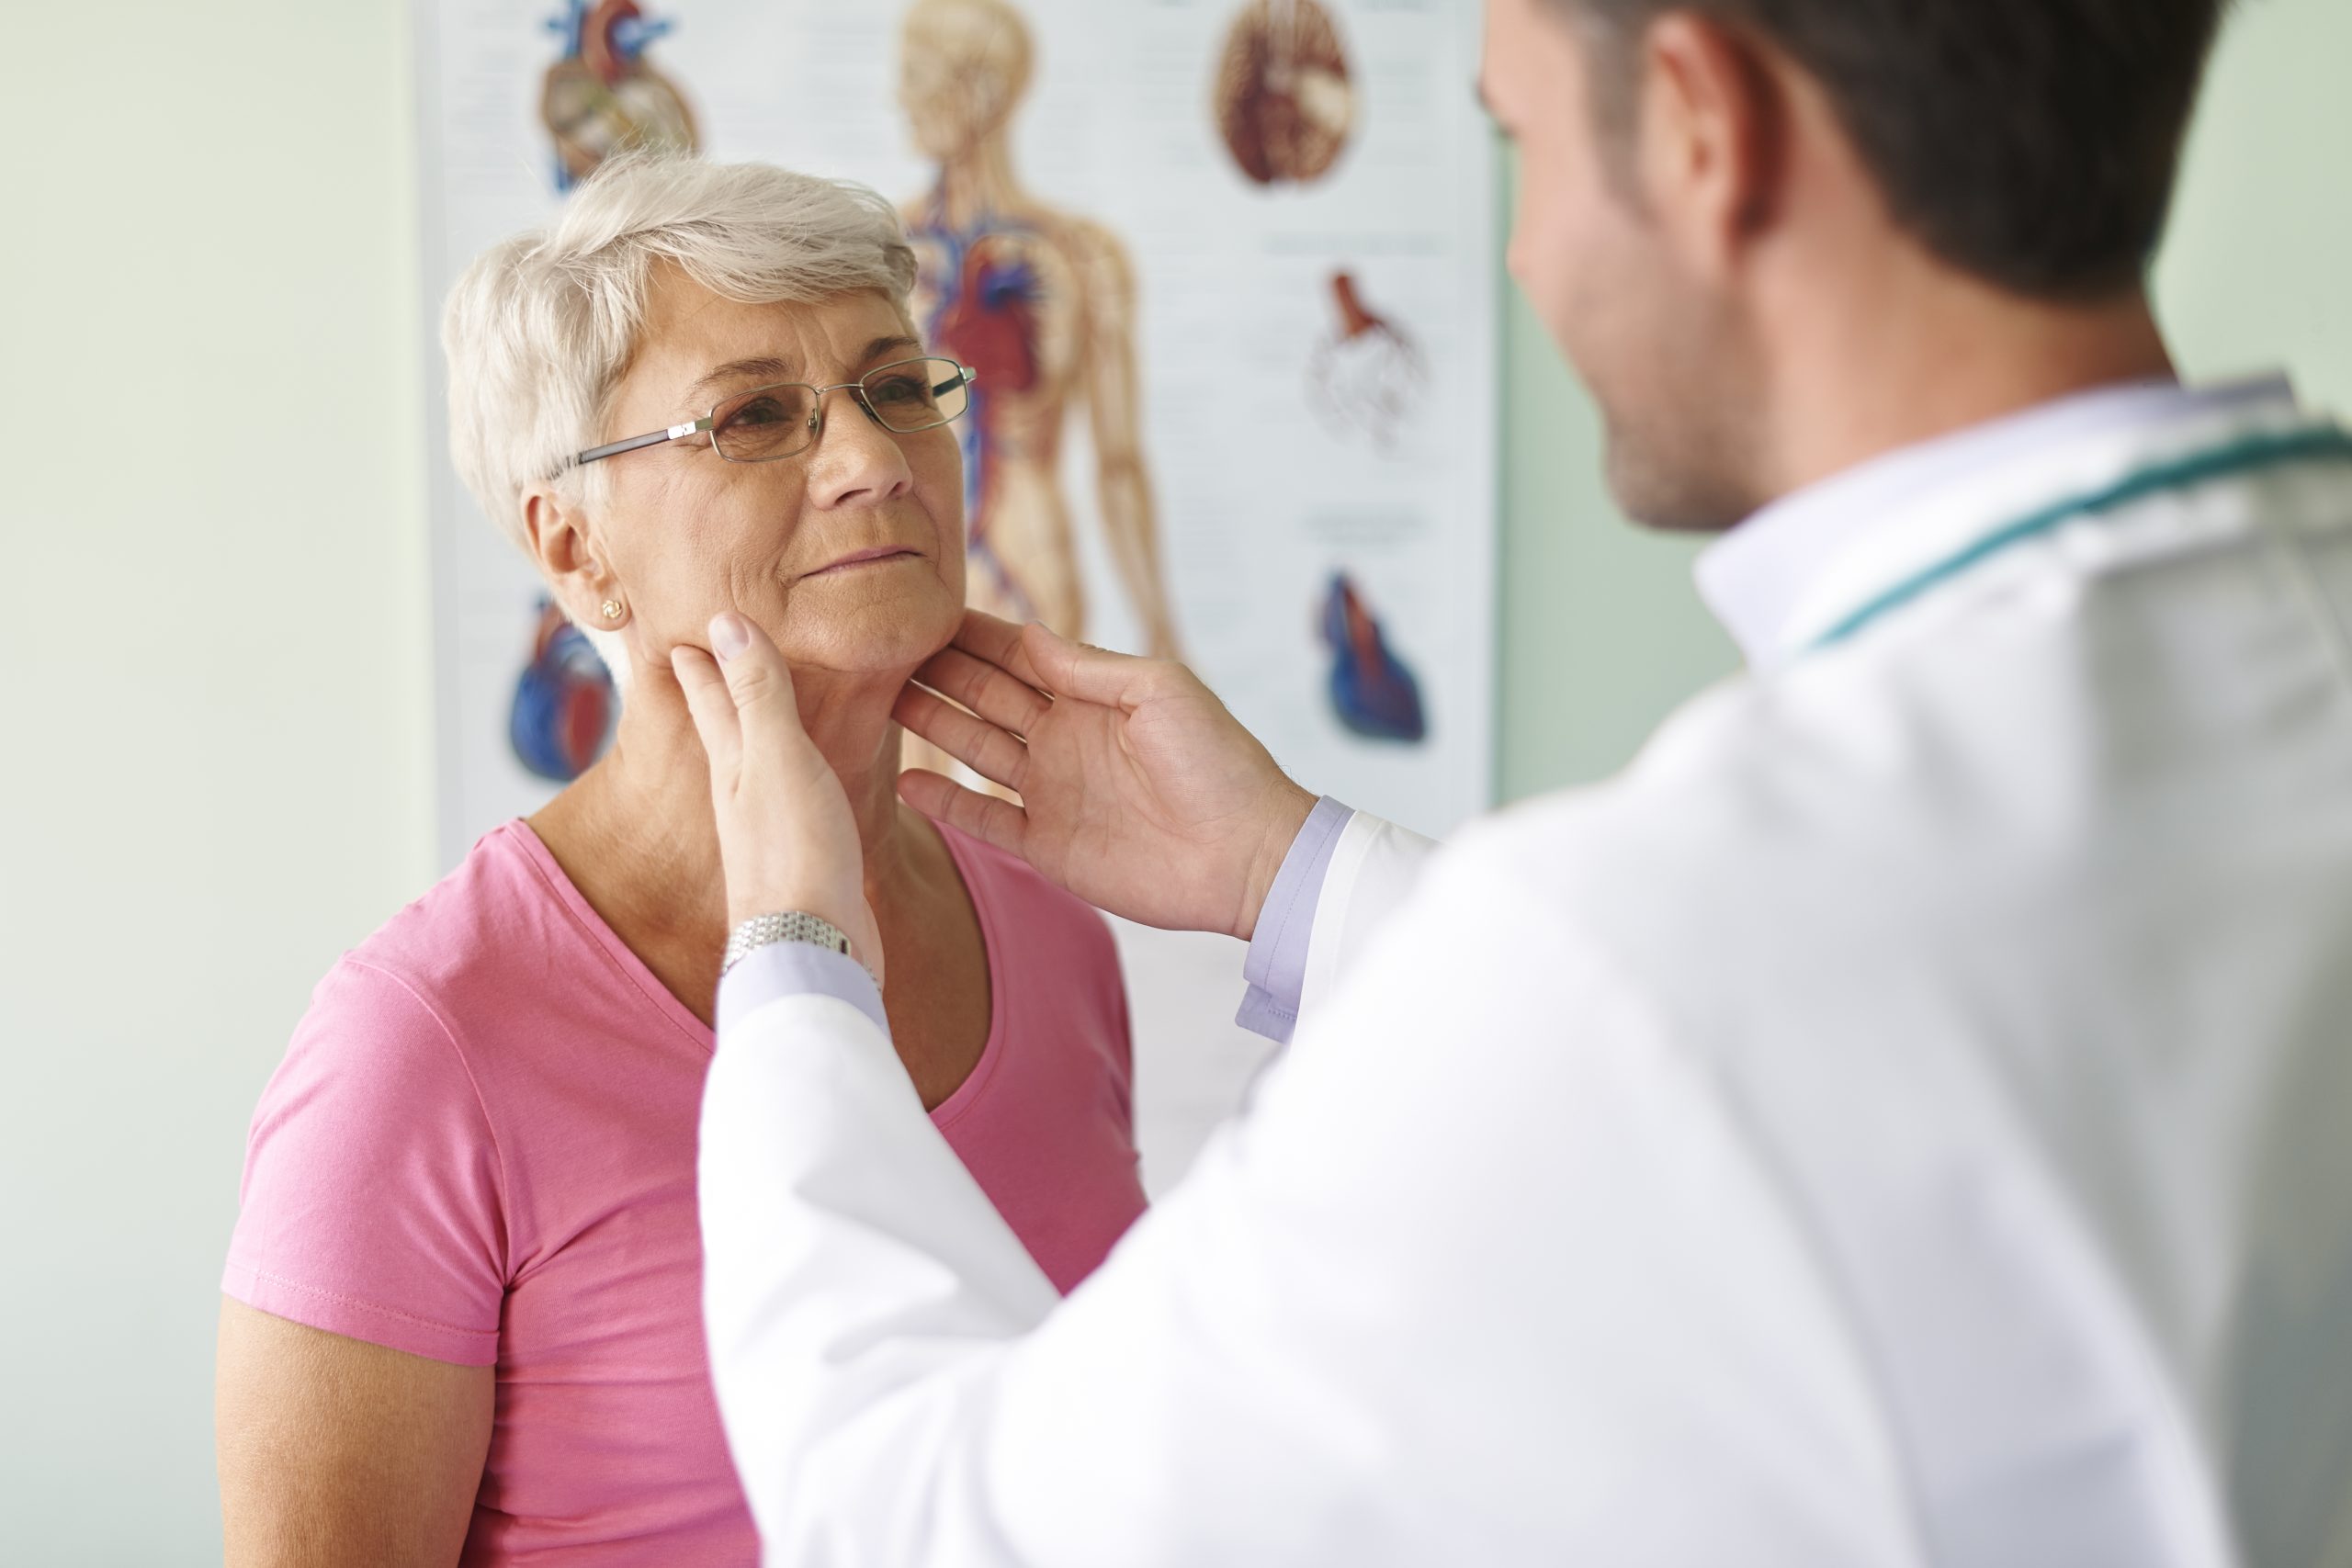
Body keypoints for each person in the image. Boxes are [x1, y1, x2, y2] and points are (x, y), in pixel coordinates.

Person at [676, 0, 2352, 1562]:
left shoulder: (1645, 951)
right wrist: (1288, 874)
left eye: (1523, 148)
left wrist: (796, 959)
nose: (1528, 253)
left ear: (1700, 121)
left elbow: (918, 1517)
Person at [212, 153, 1148, 1565]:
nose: (874, 460)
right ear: (578, 551)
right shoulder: (422, 1049)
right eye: (756, 416)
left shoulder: (1057, 938)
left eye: (899, 387)